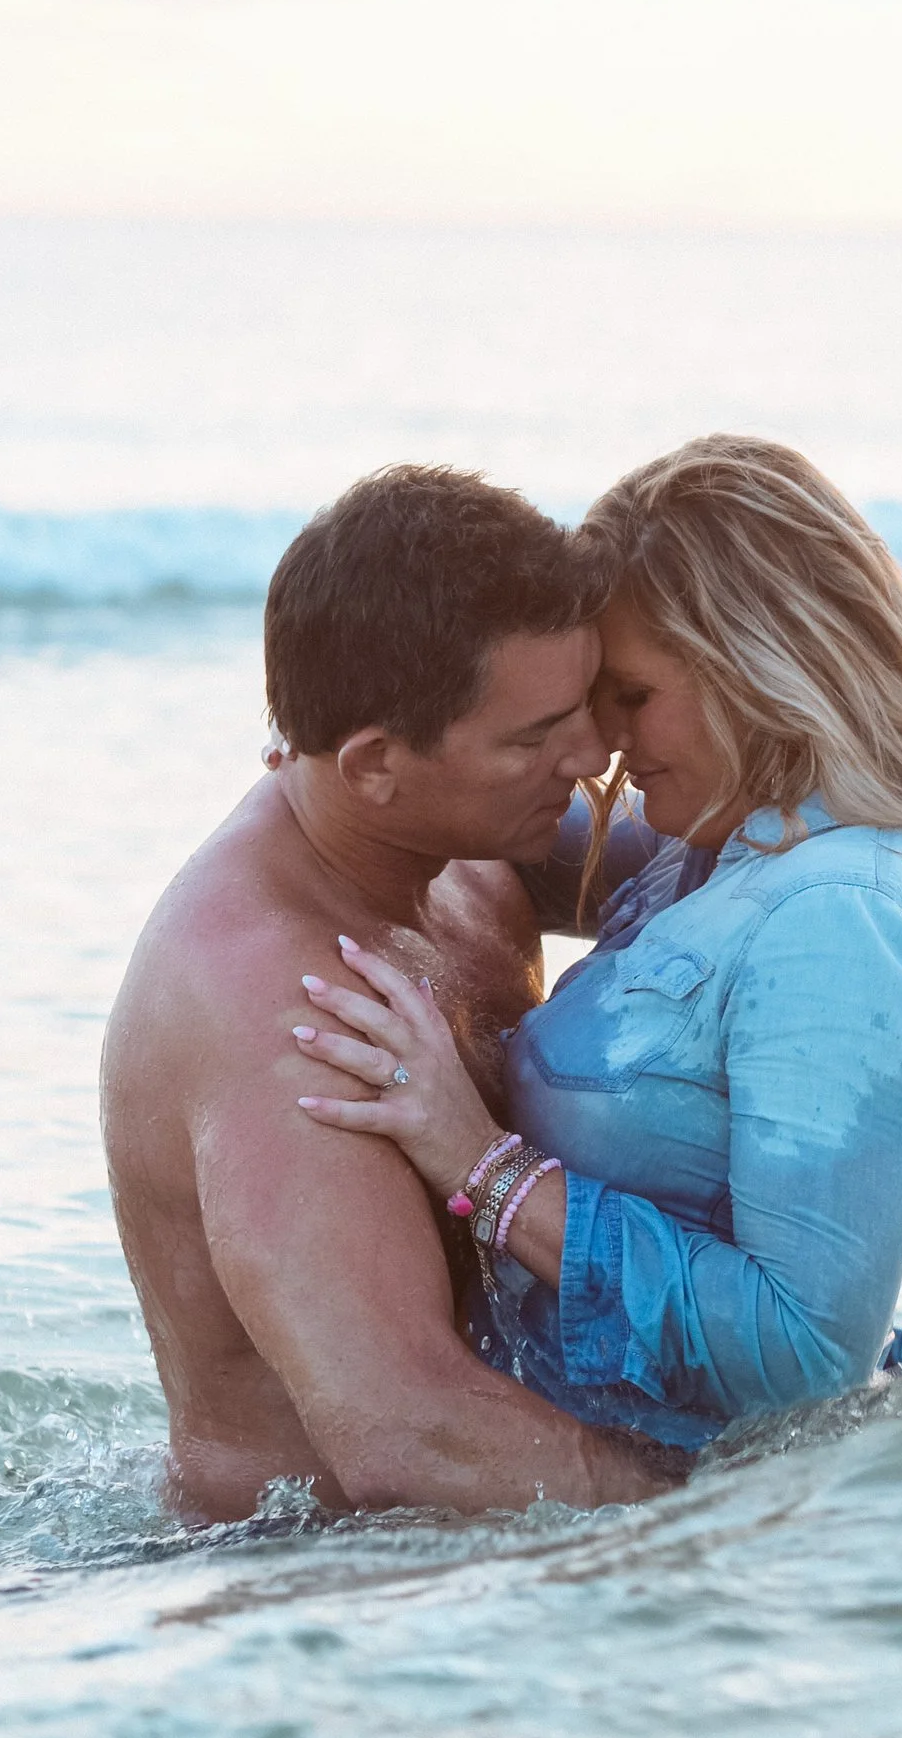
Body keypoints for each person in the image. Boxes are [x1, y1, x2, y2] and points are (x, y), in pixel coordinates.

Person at [292, 434, 902, 1471]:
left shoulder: (848, 925)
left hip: (684, 1519)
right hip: (581, 1470)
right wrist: (360, 753)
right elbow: (521, 835)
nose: (603, 744)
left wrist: (483, 1167)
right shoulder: (751, 826)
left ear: (758, 666)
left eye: (630, 695)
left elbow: (804, 1355)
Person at [100, 465, 671, 1523]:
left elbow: (734, 859)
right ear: (372, 765)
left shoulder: (452, 843)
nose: (595, 757)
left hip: (451, 1551)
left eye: (585, 707)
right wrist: (751, 1510)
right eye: (535, 736)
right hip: (304, 1582)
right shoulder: (281, 1003)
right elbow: (405, 1433)